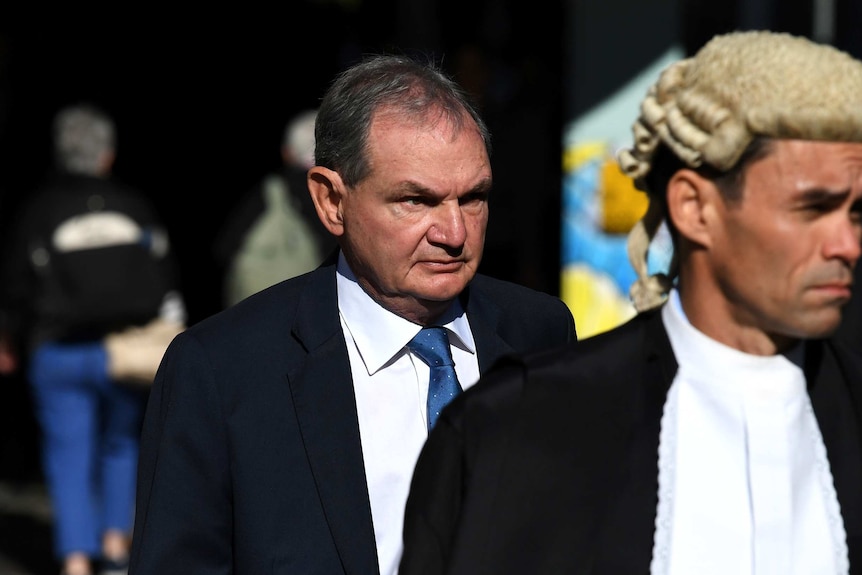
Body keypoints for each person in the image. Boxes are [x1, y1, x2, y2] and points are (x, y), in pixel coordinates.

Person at [399, 30, 862, 575]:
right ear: (694, 207)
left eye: (856, 212)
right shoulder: (520, 428)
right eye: (812, 208)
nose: (847, 245)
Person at [127, 53, 576, 575]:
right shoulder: (222, 371)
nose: (454, 233)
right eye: (416, 201)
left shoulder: (539, 332)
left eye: (473, 198)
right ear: (331, 201)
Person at [0, 103, 186, 575]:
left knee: (68, 453)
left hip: (57, 351)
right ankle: (116, 547)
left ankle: (77, 560)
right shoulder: (134, 205)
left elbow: (16, 284)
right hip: (124, 351)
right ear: (107, 155)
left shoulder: (37, 210)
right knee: (122, 445)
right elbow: (165, 279)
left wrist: (8, 337)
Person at [213, 108, 337, 308]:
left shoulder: (268, 193)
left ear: (286, 153)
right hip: (318, 307)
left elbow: (224, 248)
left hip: (260, 310)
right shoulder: (343, 194)